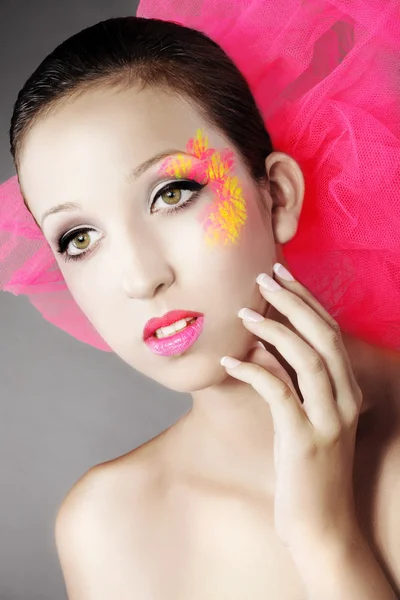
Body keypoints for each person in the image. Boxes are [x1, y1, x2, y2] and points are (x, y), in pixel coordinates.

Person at [1, 1, 399, 598]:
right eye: (79, 238)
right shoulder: (110, 525)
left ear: (278, 197)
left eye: (172, 193)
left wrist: (325, 538)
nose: (140, 278)